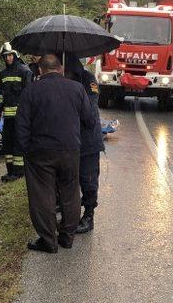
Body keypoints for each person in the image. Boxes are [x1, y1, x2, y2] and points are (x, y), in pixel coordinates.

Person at [16, 54, 97, 253]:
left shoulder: (31, 90)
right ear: (60, 68)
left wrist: (26, 149)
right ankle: (67, 238)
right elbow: (89, 120)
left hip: (40, 152)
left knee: (42, 196)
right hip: (70, 150)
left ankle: (48, 241)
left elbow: (21, 125)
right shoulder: (77, 89)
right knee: (70, 194)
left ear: (40, 70)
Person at [63, 54, 105, 234]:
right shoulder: (62, 81)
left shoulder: (88, 80)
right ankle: (70, 212)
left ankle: (88, 215)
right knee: (69, 179)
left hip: (88, 140)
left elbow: (90, 109)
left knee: (88, 179)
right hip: (68, 139)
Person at [0, 42, 32, 182]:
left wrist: (27, 114)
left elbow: (28, 94)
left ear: (16, 55)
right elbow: (1, 93)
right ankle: (10, 170)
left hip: (20, 116)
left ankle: (19, 172)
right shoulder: (3, 73)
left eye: (10, 55)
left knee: (18, 144)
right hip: (8, 117)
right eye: (5, 56)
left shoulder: (25, 71)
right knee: (7, 144)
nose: (8, 59)